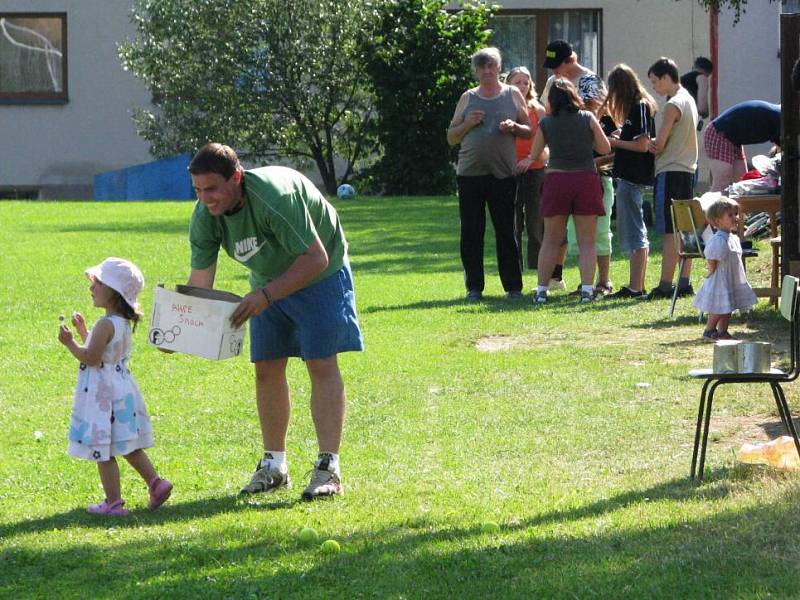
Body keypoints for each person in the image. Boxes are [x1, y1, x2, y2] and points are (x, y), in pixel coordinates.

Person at [186, 143, 363, 500]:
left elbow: (315, 258)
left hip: (320, 274)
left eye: (213, 188)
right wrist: (178, 331)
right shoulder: (206, 216)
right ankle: (274, 465)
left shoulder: (274, 198)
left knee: (320, 363)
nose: (206, 198)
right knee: (266, 367)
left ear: (236, 177)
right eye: (198, 190)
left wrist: (266, 296)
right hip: (266, 280)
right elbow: (200, 283)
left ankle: (329, 467)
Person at [58, 257, 172, 516]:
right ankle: (156, 483)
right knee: (128, 444)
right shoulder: (120, 323)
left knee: (104, 448)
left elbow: (91, 357)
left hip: (102, 396)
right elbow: (104, 351)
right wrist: (84, 331)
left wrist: (69, 343)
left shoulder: (105, 324)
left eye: (97, 283)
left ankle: (113, 503)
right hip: (121, 390)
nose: (91, 288)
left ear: (113, 292)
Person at [447, 47, 531, 301]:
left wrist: (515, 126)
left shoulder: (513, 94)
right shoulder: (468, 97)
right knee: (471, 232)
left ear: (498, 68)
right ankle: (474, 288)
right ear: (475, 71)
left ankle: (513, 288)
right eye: (482, 67)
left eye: (491, 66)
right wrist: (468, 124)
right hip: (470, 174)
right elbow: (451, 137)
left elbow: (529, 131)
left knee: (507, 230)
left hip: (503, 174)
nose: (487, 71)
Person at [530, 77, 611, 304]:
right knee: (587, 241)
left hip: (556, 180)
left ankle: (541, 291)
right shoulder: (587, 117)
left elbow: (536, 153)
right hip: (585, 180)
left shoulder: (546, 123)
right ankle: (587, 289)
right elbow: (604, 147)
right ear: (573, 96)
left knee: (551, 240)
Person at [541, 39, 607, 291]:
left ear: (571, 60)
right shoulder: (552, 82)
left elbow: (591, 117)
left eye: (558, 66)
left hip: (588, 164)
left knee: (592, 233)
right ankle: (553, 278)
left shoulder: (591, 81)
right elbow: (547, 113)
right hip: (559, 163)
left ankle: (598, 282)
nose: (554, 72)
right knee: (557, 230)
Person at [646, 57, 699, 301]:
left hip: (670, 170)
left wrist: (644, 143)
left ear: (667, 78)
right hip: (688, 170)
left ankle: (666, 284)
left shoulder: (672, 105)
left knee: (670, 231)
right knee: (685, 228)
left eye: (656, 82)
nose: (654, 88)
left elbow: (660, 143)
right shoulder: (689, 99)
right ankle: (684, 282)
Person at [603, 64, 658, 299]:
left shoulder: (640, 107)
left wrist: (614, 142)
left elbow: (643, 145)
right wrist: (620, 136)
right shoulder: (634, 111)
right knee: (634, 230)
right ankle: (637, 285)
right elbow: (634, 139)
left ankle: (635, 287)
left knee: (635, 232)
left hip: (633, 177)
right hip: (626, 176)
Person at [693, 197, 757, 341]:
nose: (735, 217)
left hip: (731, 277)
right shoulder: (718, 240)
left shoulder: (732, 238)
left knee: (729, 306)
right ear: (717, 221)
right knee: (719, 307)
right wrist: (711, 271)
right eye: (730, 215)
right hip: (720, 279)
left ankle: (723, 331)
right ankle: (709, 330)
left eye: (735, 214)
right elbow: (711, 258)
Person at [506, 66, 547, 272]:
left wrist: (531, 158)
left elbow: (547, 143)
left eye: (526, 82)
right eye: (517, 82)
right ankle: (515, 269)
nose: (522, 86)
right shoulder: (503, 107)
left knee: (535, 222)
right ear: (508, 83)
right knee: (513, 223)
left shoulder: (537, 109)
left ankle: (537, 268)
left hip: (535, 169)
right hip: (509, 171)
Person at [704, 100, 781, 192]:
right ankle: (708, 206)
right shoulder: (783, 119)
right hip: (720, 133)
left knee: (742, 184)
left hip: (735, 139)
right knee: (722, 182)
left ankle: (741, 206)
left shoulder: (781, 116)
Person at [680, 57, 713, 125]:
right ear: (708, 72)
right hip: (685, 124)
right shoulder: (702, 78)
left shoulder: (680, 80)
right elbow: (702, 109)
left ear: (693, 67)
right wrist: (706, 114)